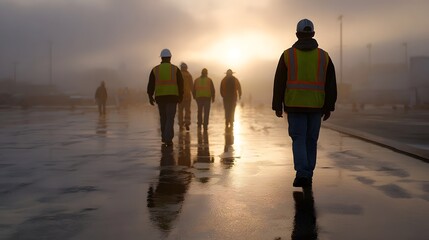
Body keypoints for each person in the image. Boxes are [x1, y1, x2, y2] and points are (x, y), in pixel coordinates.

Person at [272, 19, 337, 188]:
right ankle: (308, 173)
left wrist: (277, 105)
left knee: (299, 139)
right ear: (313, 34)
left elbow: (279, 81)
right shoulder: (324, 56)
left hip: (294, 105)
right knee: (311, 140)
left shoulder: (288, 55)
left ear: (297, 35)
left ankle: (302, 173)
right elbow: (331, 83)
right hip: (316, 106)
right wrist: (329, 106)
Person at [147, 48, 184, 146]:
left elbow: (151, 84)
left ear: (161, 58)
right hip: (172, 97)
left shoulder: (155, 69)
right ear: (170, 57)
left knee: (163, 117)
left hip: (160, 97)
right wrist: (181, 96)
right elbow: (181, 84)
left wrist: (150, 96)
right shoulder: (175, 69)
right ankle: (168, 138)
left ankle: (164, 137)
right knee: (170, 118)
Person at [178, 62, 194, 131]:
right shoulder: (189, 75)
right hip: (187, 95)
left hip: (180, 96)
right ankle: (187, 123)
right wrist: (194, 95)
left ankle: (181, 124)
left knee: (180, 111)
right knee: (187, 110)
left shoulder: (178, 74)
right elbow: (191, 86)